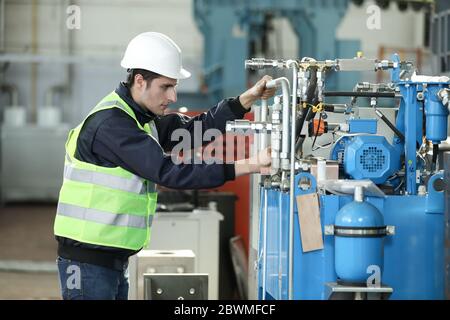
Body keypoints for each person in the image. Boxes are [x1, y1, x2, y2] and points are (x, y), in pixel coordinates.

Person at [53, 31, 275, 300]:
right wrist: (248, 165)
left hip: (109, 260)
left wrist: (245, 101)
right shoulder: (113, 125)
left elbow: (195, 130)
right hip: (88, 263)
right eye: (166, 86)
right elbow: (169, 171)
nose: (173, 96)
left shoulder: (141, 120)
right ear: (139, 81)